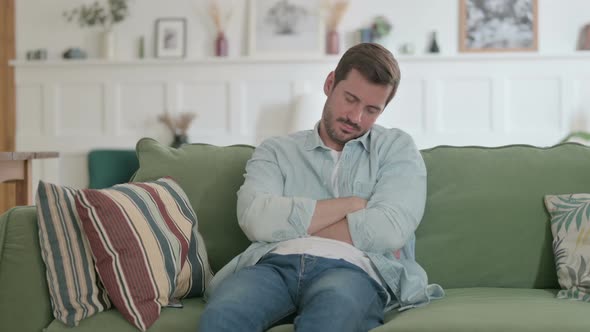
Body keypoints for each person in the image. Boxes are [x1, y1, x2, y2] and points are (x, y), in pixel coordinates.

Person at [198, 43, 443, 332]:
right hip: (274, 266)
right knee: (223, 316)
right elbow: (255, 218)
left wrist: (292, 223)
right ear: (330, 84)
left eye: (371, 110)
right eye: (350, 99)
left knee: (331, 318)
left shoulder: (396, 149)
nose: (356, 117)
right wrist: (351, 205)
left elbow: (390, 228)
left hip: (353, 270)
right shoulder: (277, 151)